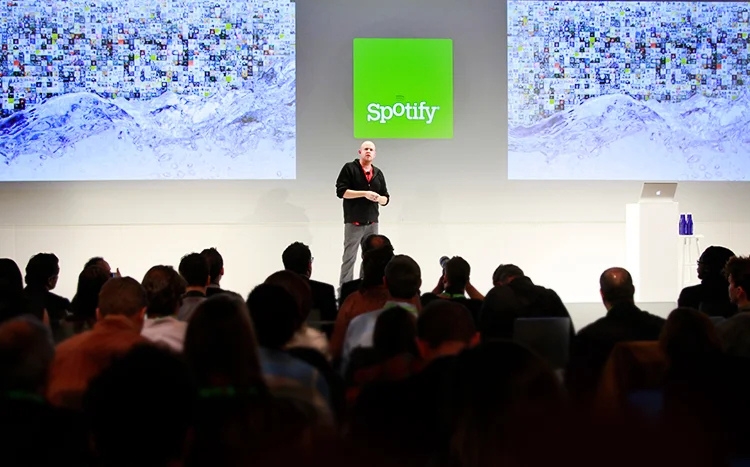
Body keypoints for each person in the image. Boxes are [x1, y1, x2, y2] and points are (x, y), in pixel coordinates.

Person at [335, 141, 390, 287]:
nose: (368, 151)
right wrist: (364, 193)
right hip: (354, 221)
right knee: (349, 257)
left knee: (371, 258)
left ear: (375, 154)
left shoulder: (378, 173)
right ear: (360, 152)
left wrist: (379, 199)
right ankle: (345, 289)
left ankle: (367, 287)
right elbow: (341, 192)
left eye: (371, 149)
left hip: (372, 222)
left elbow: (386, 198)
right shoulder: (350, 168)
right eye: (366, 149)